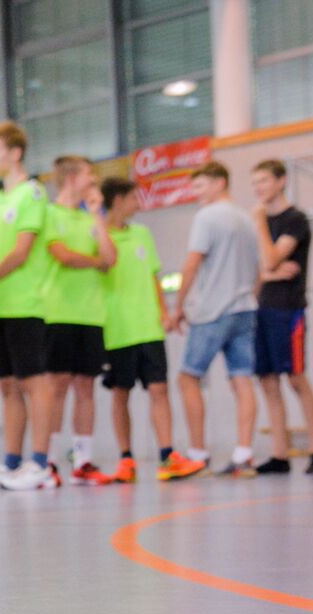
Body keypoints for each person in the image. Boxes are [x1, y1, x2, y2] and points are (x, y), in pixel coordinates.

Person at [0, 121, 59, 492]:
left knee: (35, 383)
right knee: (7, 386)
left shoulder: (32, 195)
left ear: (15, 153)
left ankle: (40, 462)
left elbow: (21, 252)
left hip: (27, 304)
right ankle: (11, 461)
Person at [97, 177, 205, 483]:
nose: (138, 204)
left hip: (149, 328)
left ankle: (167, 456)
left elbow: (153, 276)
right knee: (121, 394)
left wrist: (164, 312)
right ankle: (126, 459)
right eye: (133, 198)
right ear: (117, 200)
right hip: (116, 329)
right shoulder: (99, 235)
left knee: (159, 389)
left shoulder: (143, 233)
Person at [165, 160, 261, 477]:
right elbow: (258, 269)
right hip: (245, 307)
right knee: (242, 378)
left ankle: (197, 455)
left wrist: (179, 306)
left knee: (188, 377)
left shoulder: (208, 216)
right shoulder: (247, 219)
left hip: (213, 311)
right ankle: (244, 454)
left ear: (220, 182)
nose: (196, 193)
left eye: (201, 185)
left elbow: (193, 263)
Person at [42, 156, 117, 484]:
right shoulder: (48, 213)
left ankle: (83, 460)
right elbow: (63, 256)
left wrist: (98, 216)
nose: (93, 180)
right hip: (57, 312)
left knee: (86, 386)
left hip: (90, 314)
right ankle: (47, 460)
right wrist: (94, 261)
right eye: (89, 174)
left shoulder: (92, 217)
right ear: (71, 177)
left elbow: (110, 258)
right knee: (56, 385)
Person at [251, 159, 313, 475]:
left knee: (295, 378)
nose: (259, 188)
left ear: (281, 181)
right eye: (255, 182)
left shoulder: (296, 220)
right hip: (263, 308)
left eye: (264, 180)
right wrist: (268, 275)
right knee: (267, 380)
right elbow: (257, 276)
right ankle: (280, 454)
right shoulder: (262, 224)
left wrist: (258, 225)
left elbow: (270, 256)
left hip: (288, 309)